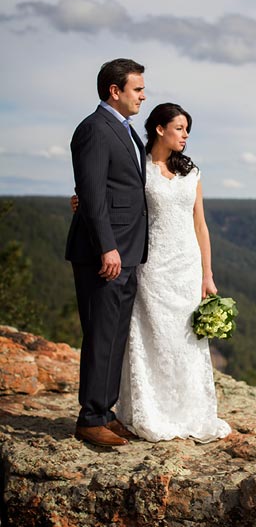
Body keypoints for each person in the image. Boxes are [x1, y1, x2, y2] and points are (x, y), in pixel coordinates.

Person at [72, 102, 231, 443]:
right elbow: (108, 195)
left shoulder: (193, 172)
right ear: (159, 129)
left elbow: (200, 225)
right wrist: (81, 202)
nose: (185, 135)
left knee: (186, 339)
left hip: (187, 266)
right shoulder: (139, 167)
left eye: (188, 130)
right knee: (151, 337)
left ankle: (189, 411)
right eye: (179, 128)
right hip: (151, 264)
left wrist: (207, 273)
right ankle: (146, 410)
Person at [65, 58, 148, 447]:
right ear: (114, 91)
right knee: (100, 334)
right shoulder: (94, 129)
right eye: (137, 89)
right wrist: (108, 248)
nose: (143, 96)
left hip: (129, 251)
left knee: (116, 335)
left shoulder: (126, 131)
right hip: (106, 253)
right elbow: (94, 194)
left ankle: (104, 410)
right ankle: (89, 418)